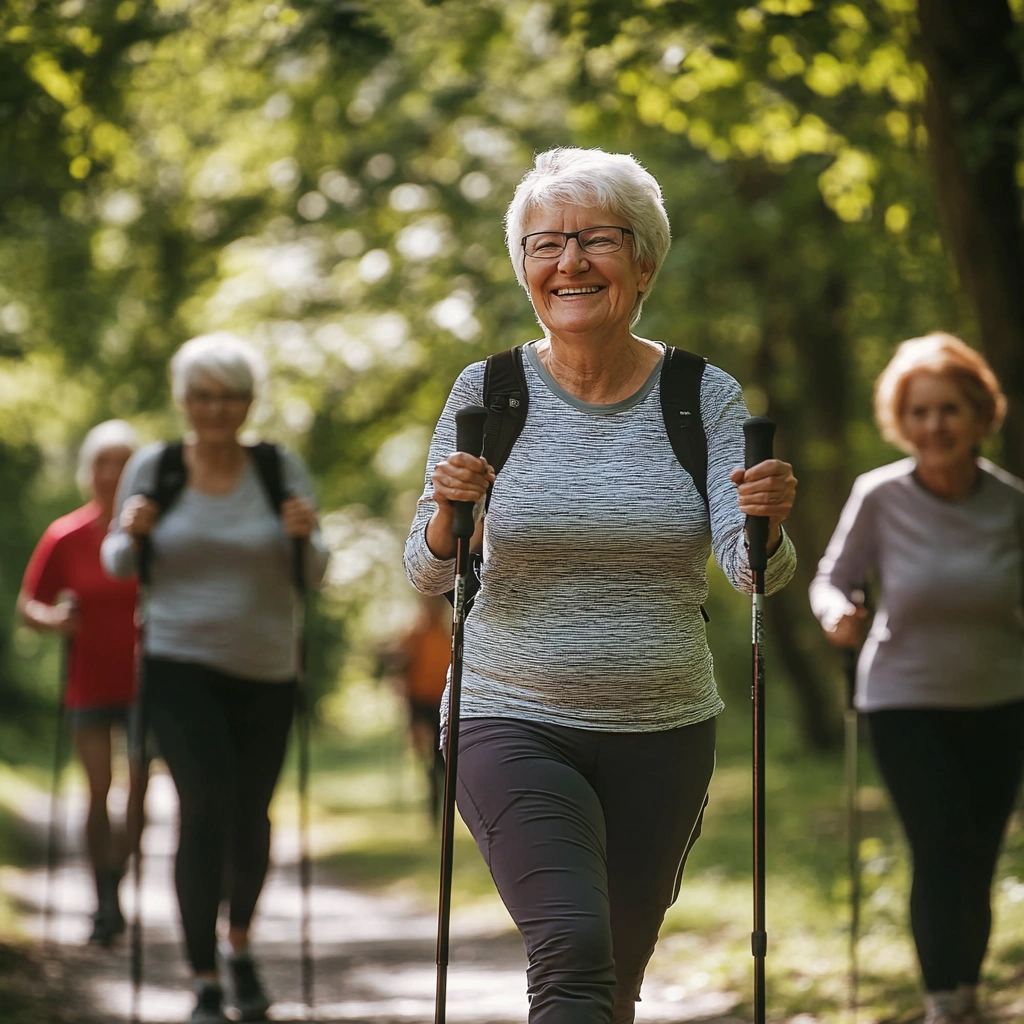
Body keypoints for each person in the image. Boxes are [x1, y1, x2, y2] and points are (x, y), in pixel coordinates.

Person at [404, 147, 798, 1024]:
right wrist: (444, 514)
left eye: (598, 240)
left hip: (662, 729)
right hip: (508, 714)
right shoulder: (489, 391)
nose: (570, 262)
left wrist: (769, 525)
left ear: (645, 260)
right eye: (547, 244)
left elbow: (750, 568)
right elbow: (429, 569)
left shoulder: (701, 395)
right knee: (574, 949)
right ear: (525, 270)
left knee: (612, 978)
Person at [101, 333, 329, 1024]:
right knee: (203, 806)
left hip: (266, 668)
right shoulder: (157, 466)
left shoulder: (278, 468)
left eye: (229, 396)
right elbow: (117, 562)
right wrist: (132, 531)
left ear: (248, 402)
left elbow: (314, 572)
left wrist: (304, 534)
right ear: (184, 401)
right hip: (177, 665)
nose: (216, 409)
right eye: (203, 396)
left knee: (250, 813)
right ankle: (202, 979)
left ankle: (239, 948)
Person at [809, 333, 1024, 1024]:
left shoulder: (1011, 502)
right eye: (921, 412)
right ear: (904, 421)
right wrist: (838, 612)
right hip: (903, 699)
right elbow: (830, 580)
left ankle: (967, 991)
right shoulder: (880, 495)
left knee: (980, 855)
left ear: (980, 415)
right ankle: (943, 1003)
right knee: (939, 847)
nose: (935, 425)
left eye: (950, 410)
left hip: (1000, 700)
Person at [18, 419, 145, 947]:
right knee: (99, 791)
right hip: (88, 680)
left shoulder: (150, 534)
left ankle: (116, 882)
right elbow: (29, 607)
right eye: (102, 462)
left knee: (140, 796)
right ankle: (105, 901)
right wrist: (56, 620)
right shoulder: (65, 535)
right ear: (86, 471)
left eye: (122, 462)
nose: (111, 473)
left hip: (146, 680)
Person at [395, 596, 451, 823]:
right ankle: (433, 809)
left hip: (442, 703)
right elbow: (402, 666)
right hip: (419, 703)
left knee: (441, 758)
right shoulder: (414, 633)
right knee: (426, 756)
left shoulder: (448, 633)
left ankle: (441, 808)